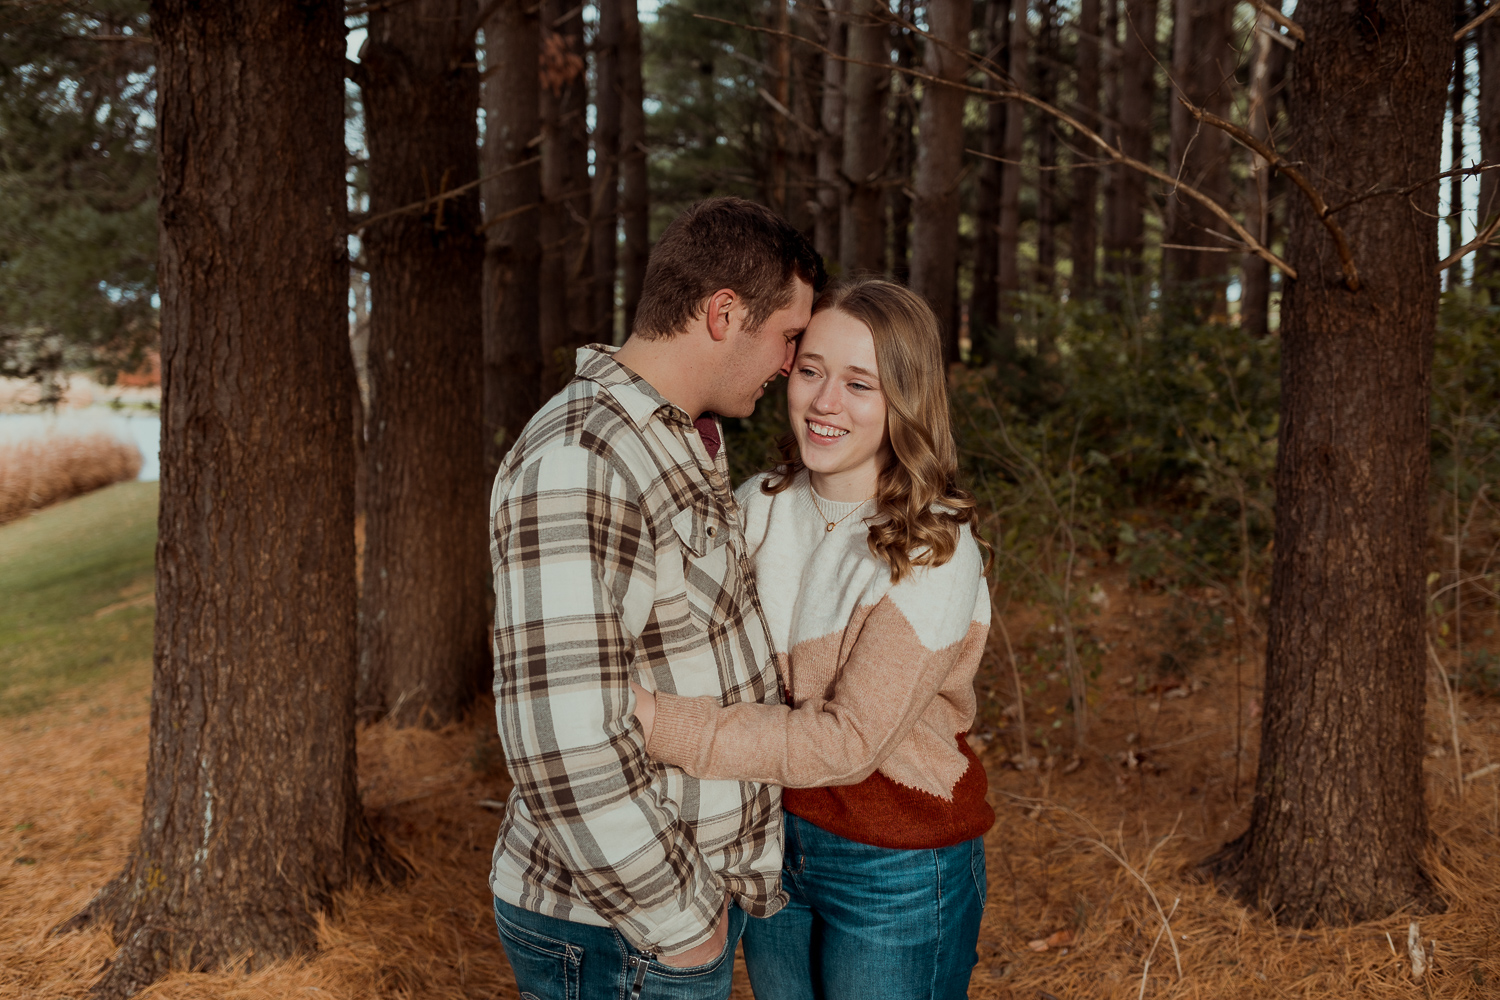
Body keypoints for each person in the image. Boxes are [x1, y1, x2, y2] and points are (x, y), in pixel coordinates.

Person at [485, 196, 826, 1000]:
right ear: (722, 312)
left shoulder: (673, 435)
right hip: (622, 928)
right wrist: (683, 924)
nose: (789, 364)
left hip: (663, 908)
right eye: (787, 338)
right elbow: (561, 741)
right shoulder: (582, 459)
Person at [632, 278, 994, 1000]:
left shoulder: (934, 546)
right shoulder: (757, 505)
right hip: (770, 844)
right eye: (811, 371)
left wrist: (650, 720)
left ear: (906, 399)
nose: (825, 403)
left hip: (898, 859)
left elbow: (845, 743)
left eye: (860, 384)